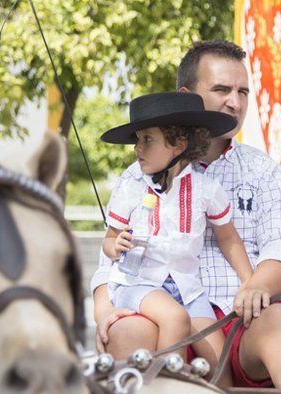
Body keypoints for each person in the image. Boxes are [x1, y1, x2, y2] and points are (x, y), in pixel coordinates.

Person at [91, 40, 281, 389]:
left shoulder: (264, 173)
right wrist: (104, 314)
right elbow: (109, 263)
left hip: (241, 316)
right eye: (221, 89)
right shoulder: (135, 179)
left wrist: (257, 284)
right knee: (125, 330)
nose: (236, 102)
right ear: (187, 95)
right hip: (156, 311)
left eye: (243, 91)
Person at [100, 92, 253, 373]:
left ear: (179, 144)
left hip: (188, 290)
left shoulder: (207, 190)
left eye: (147, 139)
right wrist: (115, 244)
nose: (137, 148)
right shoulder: (131, 187)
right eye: (137, 140)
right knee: (174, 318)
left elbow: (228, 238)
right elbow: (109, 240)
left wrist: (249, 281)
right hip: (139, 284)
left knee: (218, 366)